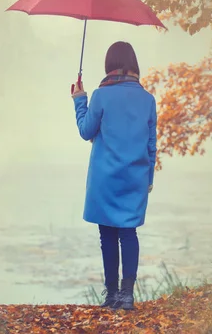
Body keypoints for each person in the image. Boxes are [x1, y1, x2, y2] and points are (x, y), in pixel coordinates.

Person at [71, 41, 157, 310]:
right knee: (128, 233)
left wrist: (79, 100)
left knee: (107, 234)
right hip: (135, 176)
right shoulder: (148, 99)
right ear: (134, 64)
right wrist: (149, 178)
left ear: (110, 64)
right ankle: (127, 295)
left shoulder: (100, 95)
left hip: (104, 177)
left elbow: (86, 131)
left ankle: (111, 296)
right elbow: (151, 143)